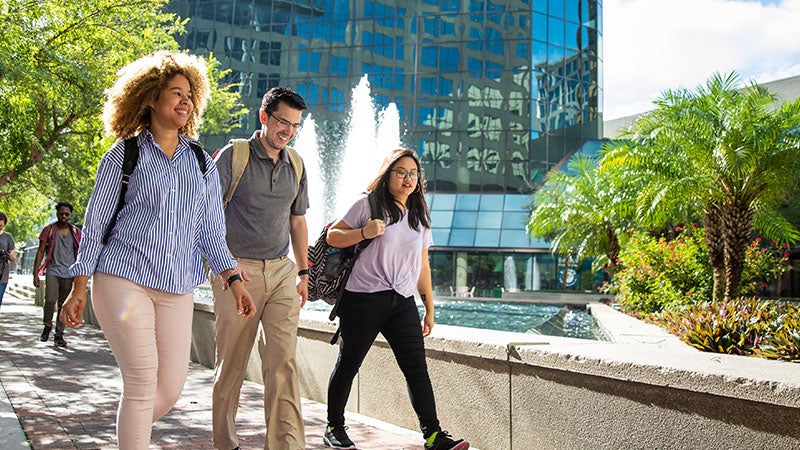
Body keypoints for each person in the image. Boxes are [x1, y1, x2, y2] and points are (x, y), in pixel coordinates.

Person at [58, 50, 256, 449]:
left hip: (178, 286)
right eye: (175, 93)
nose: (185, 102)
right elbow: (94, 227)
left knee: (169, 389)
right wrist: (79, 287)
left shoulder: (202, 162)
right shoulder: (124, 155)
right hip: (123, 278)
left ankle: (126, 434)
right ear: (150, 98)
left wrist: (233, 279)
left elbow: (211, 231)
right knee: (142, 380)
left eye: (189, 95)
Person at [323, 149, 469, 450]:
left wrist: (429, 307)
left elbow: (423, 265)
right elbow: (332, 236)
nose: (408, 178)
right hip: (363, 298)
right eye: (401, 172)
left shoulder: (419, 214)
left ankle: (433, 435)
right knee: (349, 364)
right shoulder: (368, 204)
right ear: (388, 174)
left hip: (402, 302)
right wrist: (363, 231)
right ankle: (333, 427)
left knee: (416, 368)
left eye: (413, 173)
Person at [211, 86, 309, 450]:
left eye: (295, 125)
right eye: (283, 121)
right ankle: (226, 443)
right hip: (238, 271)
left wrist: (303, 273)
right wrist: (226, 264)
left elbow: (297, 221)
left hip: (282, 271)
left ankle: (285, 446)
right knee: (232, 365)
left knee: (283, 363)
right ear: (264, 117)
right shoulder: (232, 156)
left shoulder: (296, 164)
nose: (288, 130)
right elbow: (206, 215)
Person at [32, 202, 82, 347]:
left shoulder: (75, 232)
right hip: (53, 270)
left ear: (70, 215)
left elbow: (81, 253)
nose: (64, 217)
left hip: (69, 272)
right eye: (61, 214)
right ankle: (47, 325)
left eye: (67, 214)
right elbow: (40, 251)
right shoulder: (49, 230)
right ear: (57, 214)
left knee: (64, 304)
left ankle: (59, 334)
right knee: (50, 300)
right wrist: (35, 274)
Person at [0, 211, 16, 310]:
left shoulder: (7, 236)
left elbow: (13, 257)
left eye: (1, 225)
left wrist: (8, 254)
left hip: (2, 273)